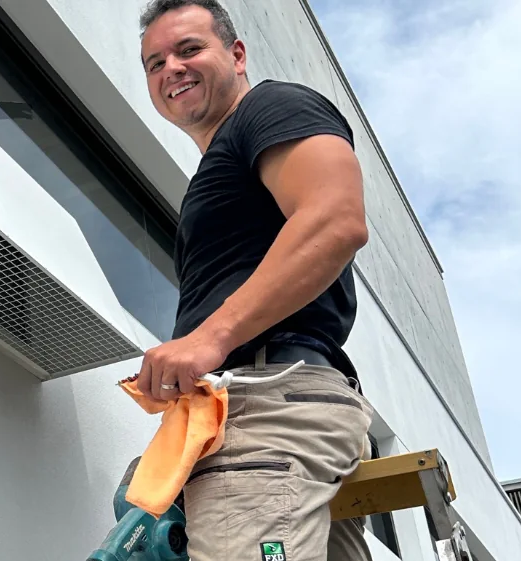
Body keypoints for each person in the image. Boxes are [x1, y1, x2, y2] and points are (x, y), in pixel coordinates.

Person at [133, 1, 376, 560]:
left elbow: (335, 220)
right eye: (154, 63)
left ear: (237, 54)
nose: (171, 67)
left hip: (267, 407)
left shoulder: (271, 106)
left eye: (189, 49)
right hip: (264, 410)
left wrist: (206, 340)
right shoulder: (219, 166)